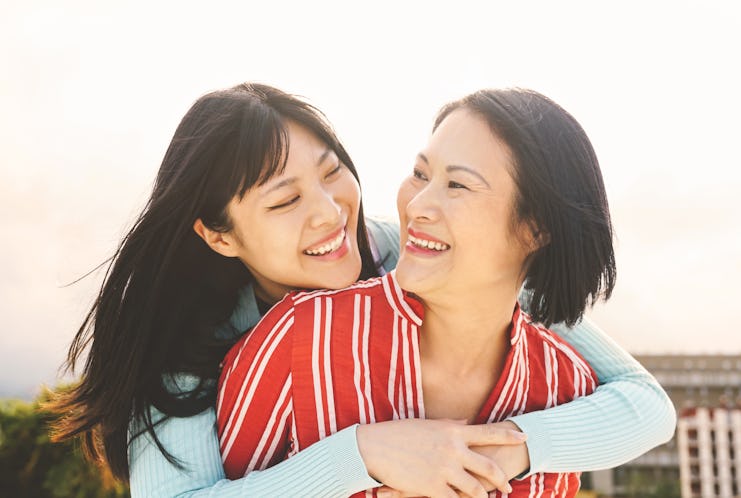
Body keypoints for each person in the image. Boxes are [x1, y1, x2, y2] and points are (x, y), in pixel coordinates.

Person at [46, 83, 675, 498]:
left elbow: (644, 404)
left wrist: (501, 452)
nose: (328, 214)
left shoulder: (411, 250)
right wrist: (365, 454)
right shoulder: (189, 345)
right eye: (286, 200)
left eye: (331, 173)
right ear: (219, 235)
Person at [216, 88, 629, 497]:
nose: (416, 207)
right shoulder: (297, 338)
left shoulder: (567, 391)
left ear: (534, 228)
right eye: (420, 175)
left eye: (457, 185)